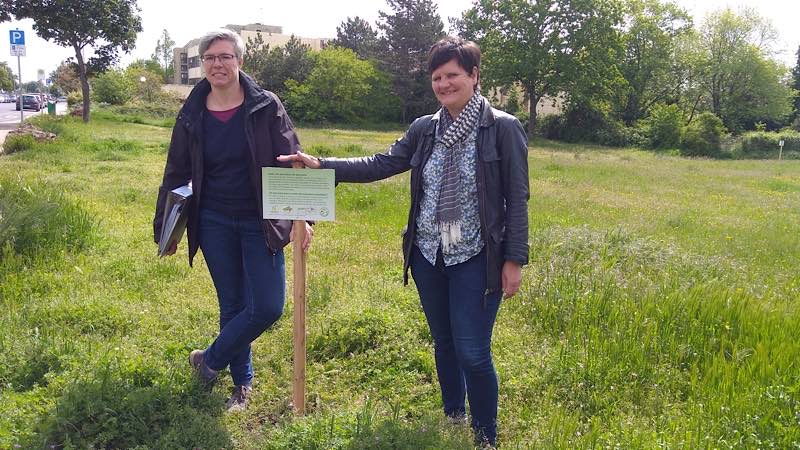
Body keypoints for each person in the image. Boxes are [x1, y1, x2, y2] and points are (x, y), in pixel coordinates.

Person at [279, 36, 529, 447]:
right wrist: (323, 165)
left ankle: (485, 436)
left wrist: (514, 259)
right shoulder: (425, 129)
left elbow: (516, 198)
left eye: (453, 75)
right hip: (428, 253)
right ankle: (453, 416)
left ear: (474, 76)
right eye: (437, 77)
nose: (445, 84)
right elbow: (382, 163)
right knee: (444, 342)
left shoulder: (501, 128)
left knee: (472, 350)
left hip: (477, 256)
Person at [153, 28, 312, 412]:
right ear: (202, 66)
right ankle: (242, 384)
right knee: (232, 304)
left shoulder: (265, 106)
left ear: (240, 62)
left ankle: (207, 361)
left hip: (261, 220)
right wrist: (166, 228)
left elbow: (291, 158)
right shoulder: (192, 112)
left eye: (225, 56)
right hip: (213, 221)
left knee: (268, 307)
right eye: (210, 58)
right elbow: (175, 171)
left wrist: (302, 218)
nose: (217, 64)